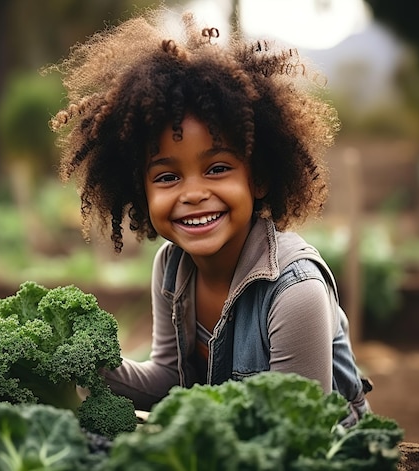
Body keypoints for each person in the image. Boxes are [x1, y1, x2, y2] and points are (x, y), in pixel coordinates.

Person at [50, 6, 371, 425]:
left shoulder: (295, 292)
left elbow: (299, 432)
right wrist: (83, 368)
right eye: (167, 176)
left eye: (218, 168)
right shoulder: (171, 266)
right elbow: (168, 378)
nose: (194, 194)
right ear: (141, 191)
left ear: (258, 179)